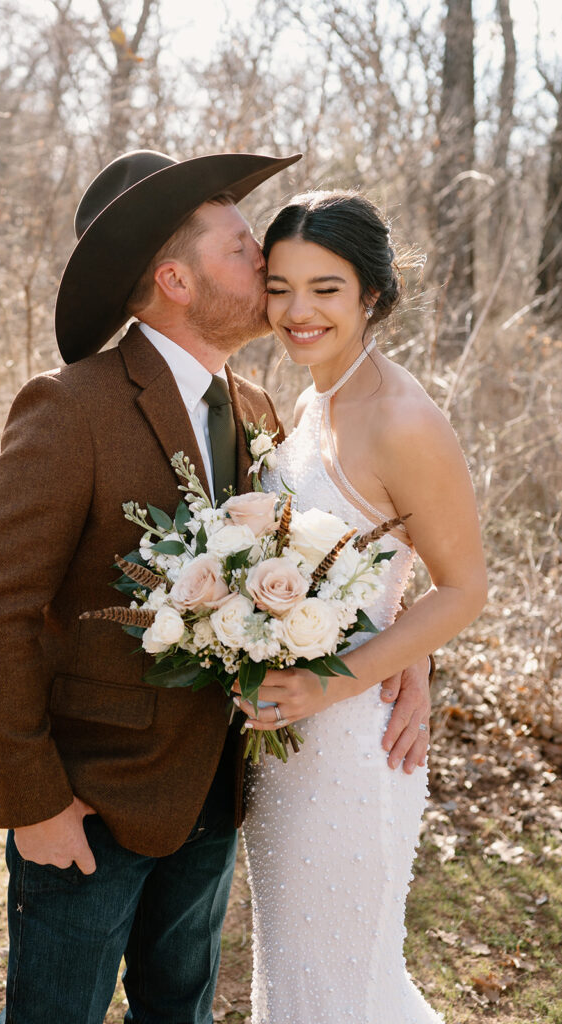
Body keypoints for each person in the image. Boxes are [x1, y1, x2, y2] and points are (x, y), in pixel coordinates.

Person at [0, 153, 432, 1024]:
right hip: (88, 806)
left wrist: (406, 656)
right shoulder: (70, 407)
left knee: (182, 1011)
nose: (268, 261)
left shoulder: (258, 408)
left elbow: (342, 559)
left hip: (219, 789)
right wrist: (36, 805)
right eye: (243, 247)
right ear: (175, 277)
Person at [235, 190, 488, 1023]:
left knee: (341, 989)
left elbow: (463, 586)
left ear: (371, 294)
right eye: (278, 287)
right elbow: (373, 553)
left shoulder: (403, 419)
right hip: (287, 746)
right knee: (302, 979)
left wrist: (334, 682)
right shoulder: (313, 397)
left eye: (325, 288)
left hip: (349, 742)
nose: (296, 311)